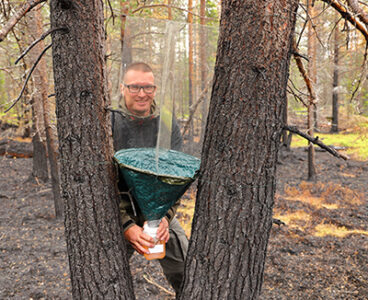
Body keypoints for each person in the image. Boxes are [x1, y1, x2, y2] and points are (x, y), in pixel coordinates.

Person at [111, 62, 188, 295]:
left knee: (187, 269)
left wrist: (165, 218)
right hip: (115, 211)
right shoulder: (109, 120)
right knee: (106, 274)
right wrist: (126, 226)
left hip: (158, 210)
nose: (142, 94)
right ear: (123, 88)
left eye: (148, 88)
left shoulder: (165, 120)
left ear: (155, 89)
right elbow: (99, 185)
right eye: (134, 87)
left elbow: (176, 178)